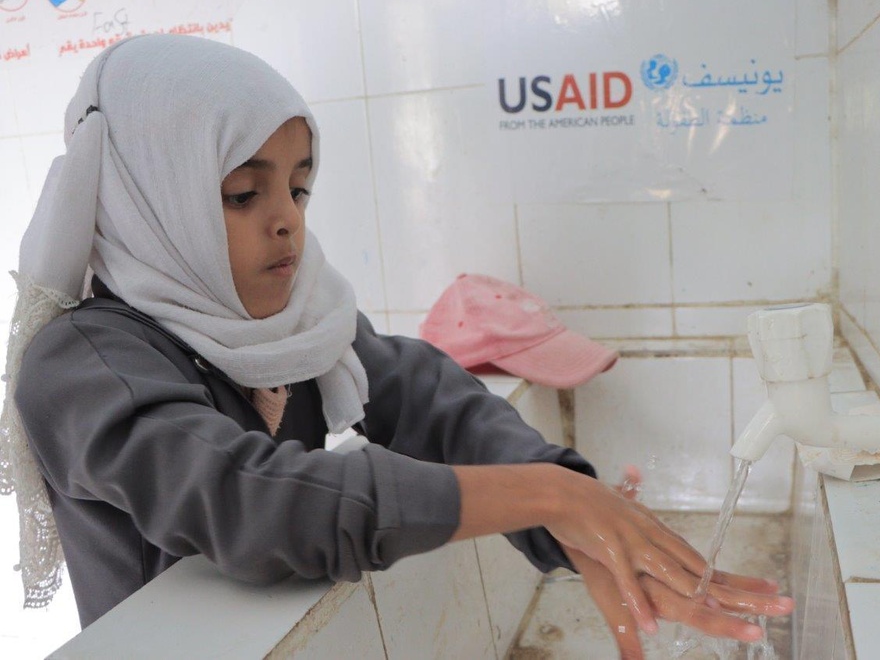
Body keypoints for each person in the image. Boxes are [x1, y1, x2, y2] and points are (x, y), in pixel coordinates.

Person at [0, 34, 791, 658]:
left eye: (298, 187)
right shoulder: (83, 365)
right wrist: (550, 499)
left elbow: (426, 396)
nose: (287, 220)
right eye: (243, 193)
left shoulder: (290, 329)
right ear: (148, 198)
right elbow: (253, 503)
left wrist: (566, 512)